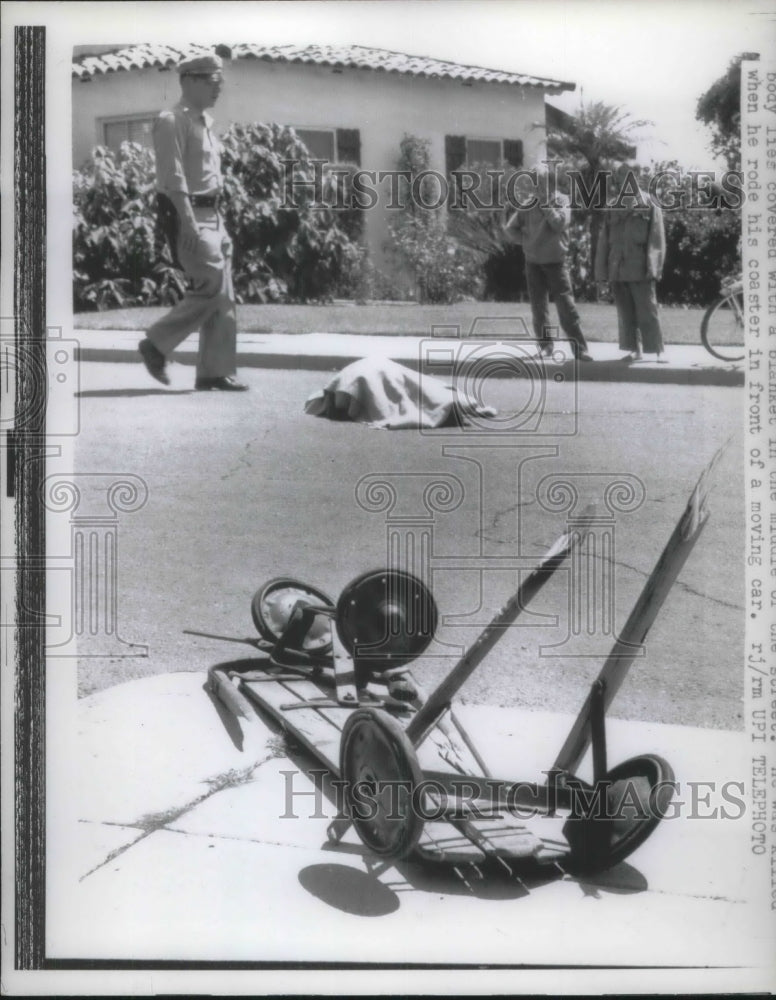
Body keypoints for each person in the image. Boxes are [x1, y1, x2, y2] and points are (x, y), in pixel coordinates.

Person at [138, 52, 247, 391]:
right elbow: (173, 178)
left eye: (221, 82)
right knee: (211, 284)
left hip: (214, 215)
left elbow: (209, 177)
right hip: (190, 214)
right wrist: (188, 223)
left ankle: (214, 372)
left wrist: (220, 223)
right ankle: (155, 344)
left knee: (223, 296)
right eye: (215, 82)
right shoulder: (172, 120)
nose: (220, 89)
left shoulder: (205, 123)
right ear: (192, 81)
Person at [504, 170, 592, 362]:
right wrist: (527, 241)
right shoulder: (527, 205)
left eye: (542, 182)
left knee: (566, 307)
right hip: (533, 263)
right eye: (536, 182)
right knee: (538, 308)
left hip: (556, 262)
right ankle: (545, 347)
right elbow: (510, 229)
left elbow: (560, 224)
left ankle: (580, 349)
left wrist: (545, 206)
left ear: (551, 183)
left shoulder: (562, 201)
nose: (538, 186)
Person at [595, 163, 667, 363]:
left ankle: (658, 351)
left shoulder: (650, 203)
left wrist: (654, 267)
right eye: (620, 176)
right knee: (625, 313)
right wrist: (601, 274)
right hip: (617, 267)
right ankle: (634, 349)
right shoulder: (612, 206)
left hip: (640, 266)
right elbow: (603, 241)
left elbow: (657, 238)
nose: (624, 179)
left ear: (636, 176)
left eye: (628, 175)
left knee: (648, 310)